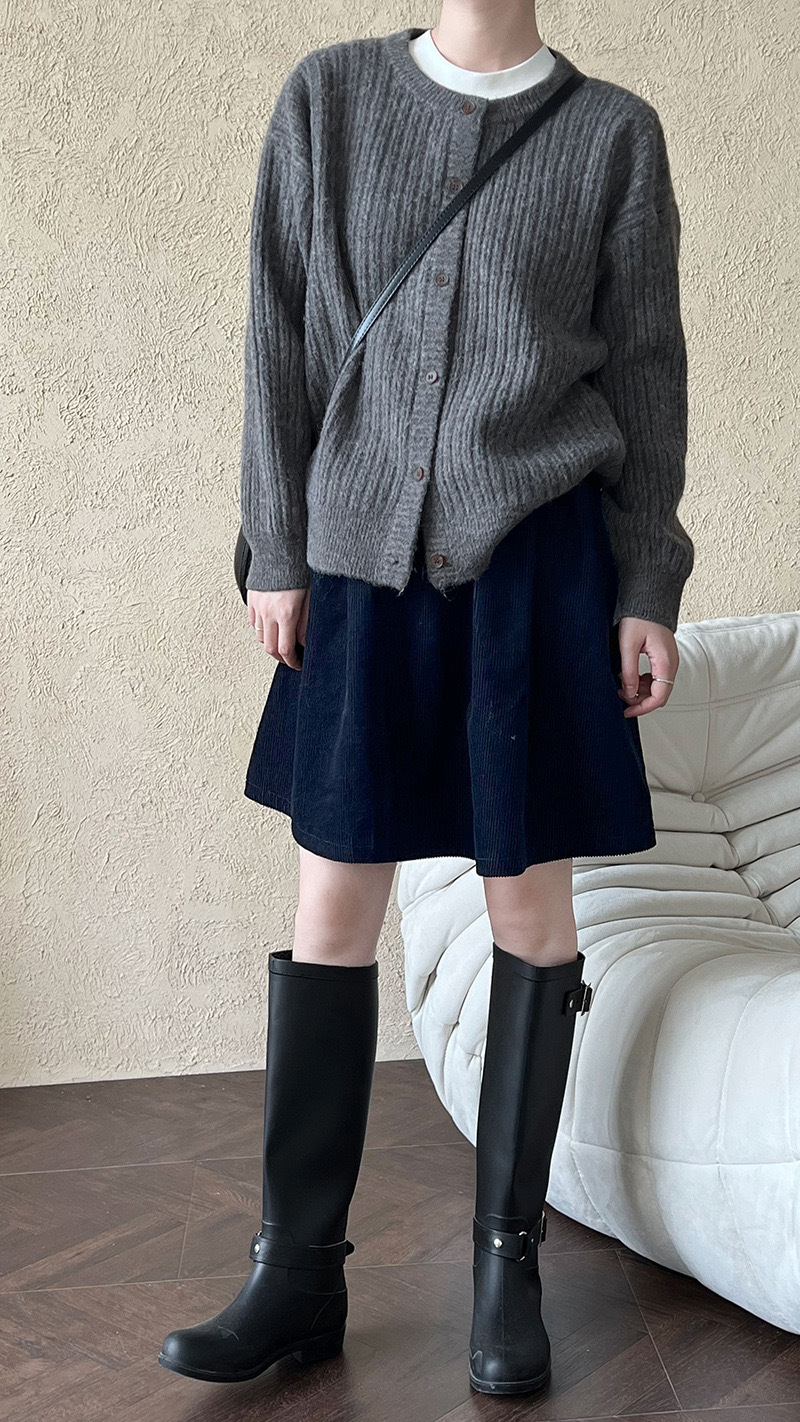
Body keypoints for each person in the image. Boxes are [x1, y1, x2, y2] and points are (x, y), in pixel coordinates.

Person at [158, 0, 693, 1398]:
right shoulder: (327, 102)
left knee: (531, 906)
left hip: (541, 571)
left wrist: (648, 579)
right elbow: (278, 331)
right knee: (333, 904)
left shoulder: (613, 136)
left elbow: (648, 368)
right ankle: (295, 1270)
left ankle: (507, 1268)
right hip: (357, 563)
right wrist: (277, 547)